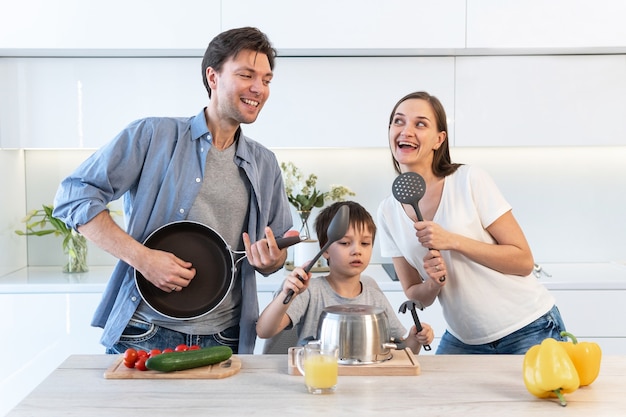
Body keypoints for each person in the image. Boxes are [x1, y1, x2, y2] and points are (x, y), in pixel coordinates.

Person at [52, 27, 294, 354]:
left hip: (226, 339)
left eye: (266, 80)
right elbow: (74, 196)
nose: (258, 88)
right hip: (146, 331)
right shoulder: (153, 135)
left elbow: (276, 250)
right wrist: (143, 258)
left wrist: (270, 260)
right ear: (213, 76)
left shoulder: (264, 163)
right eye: (246, 75)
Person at [377, 91, 567, 354]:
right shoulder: (387, 211)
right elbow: (413, 293)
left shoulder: (469, 180)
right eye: (398, 122)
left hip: (528, 327)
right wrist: (432, 284)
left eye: (420, 124)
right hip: (464, 338)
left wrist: (453, 241)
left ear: (438, 139)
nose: (406, 130)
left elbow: (523, 262)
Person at [257, 201, 434, 354]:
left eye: (365, 243)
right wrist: (287, 295)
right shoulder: (310, 290)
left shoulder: (372, 290)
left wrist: (415, 338)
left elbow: (402, 351)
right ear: (325, 250)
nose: (357, 250)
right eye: (344, 243)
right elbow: (264, 330)